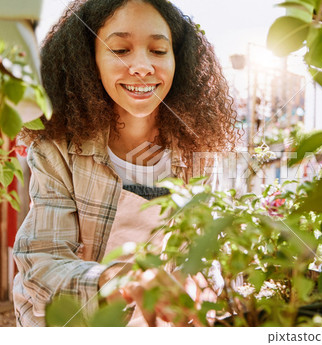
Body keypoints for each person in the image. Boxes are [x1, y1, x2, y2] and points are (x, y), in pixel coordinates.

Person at [13, 0, 239, 327]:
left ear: (180, 61)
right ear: (89, 60)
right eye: (120, 49)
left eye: (159, 51)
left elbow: (207, 251)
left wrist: (198, 284)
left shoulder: (197, 148)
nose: (143, 66)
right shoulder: (58, 149)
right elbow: (43, 261)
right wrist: (121, 281)